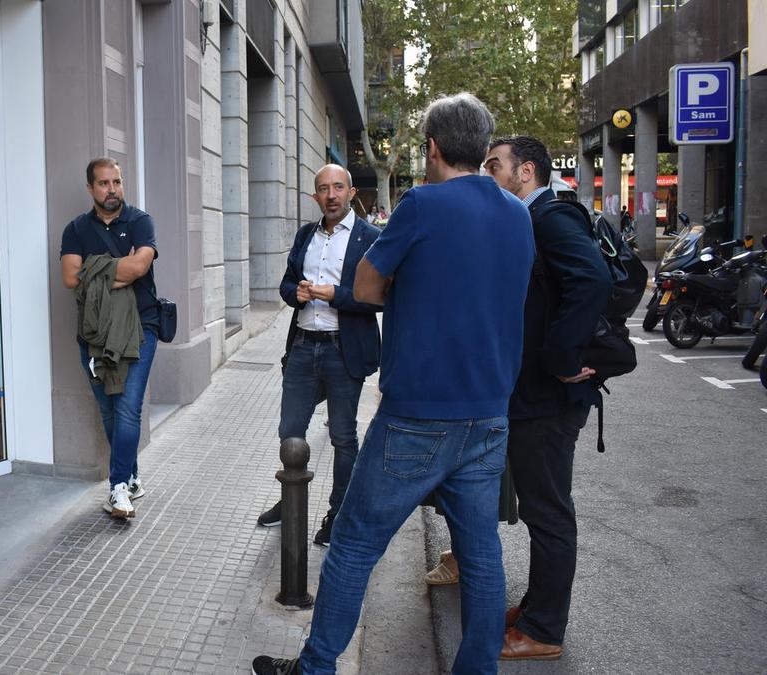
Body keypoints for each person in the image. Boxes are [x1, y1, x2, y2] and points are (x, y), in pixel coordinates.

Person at [252, 93, 534, 675]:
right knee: (481, 556)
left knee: (354, 543)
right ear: (482, 147)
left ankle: (316, 667)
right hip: (488, 416)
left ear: (432, 148)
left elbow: (366, 287)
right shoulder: (516, 212)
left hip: (417, 416)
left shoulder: (421, 204)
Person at [482, 135, 611, 660]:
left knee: (549, 512)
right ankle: (537, 608)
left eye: (496, 165)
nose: (489, 174)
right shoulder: (529, 219)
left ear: (526, 171)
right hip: (534, 393)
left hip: (549, 398)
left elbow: (592, 279)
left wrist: (560, 358)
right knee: (540, 510)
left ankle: (545, 631)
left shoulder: (550, 218)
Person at [256, 164, 382, 546]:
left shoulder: (370, 238)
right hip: (302, 347)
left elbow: (378, 298)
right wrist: (295, 294)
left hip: (344, 350)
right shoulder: (305, 235)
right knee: (289, 432)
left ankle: (337, 515)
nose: (331, 195)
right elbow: (286, 284)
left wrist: (335, 295)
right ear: (315, 196)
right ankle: (291, 501)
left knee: (343, 437)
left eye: (338, 187)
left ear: (351, 193)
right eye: (324, 189)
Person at [60, 157, 159, 519]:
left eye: (116, 182)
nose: (112, 189)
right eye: (103, 183)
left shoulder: (140, 221)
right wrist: (120, 271)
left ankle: (117, 488)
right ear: (90, 188)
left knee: (127, 406)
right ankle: (131, 478)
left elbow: (140, 266)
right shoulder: (76, 229)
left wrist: (94, 271)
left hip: (141, 327)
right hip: (95, 333)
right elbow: (70, 278)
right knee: (108, 409)